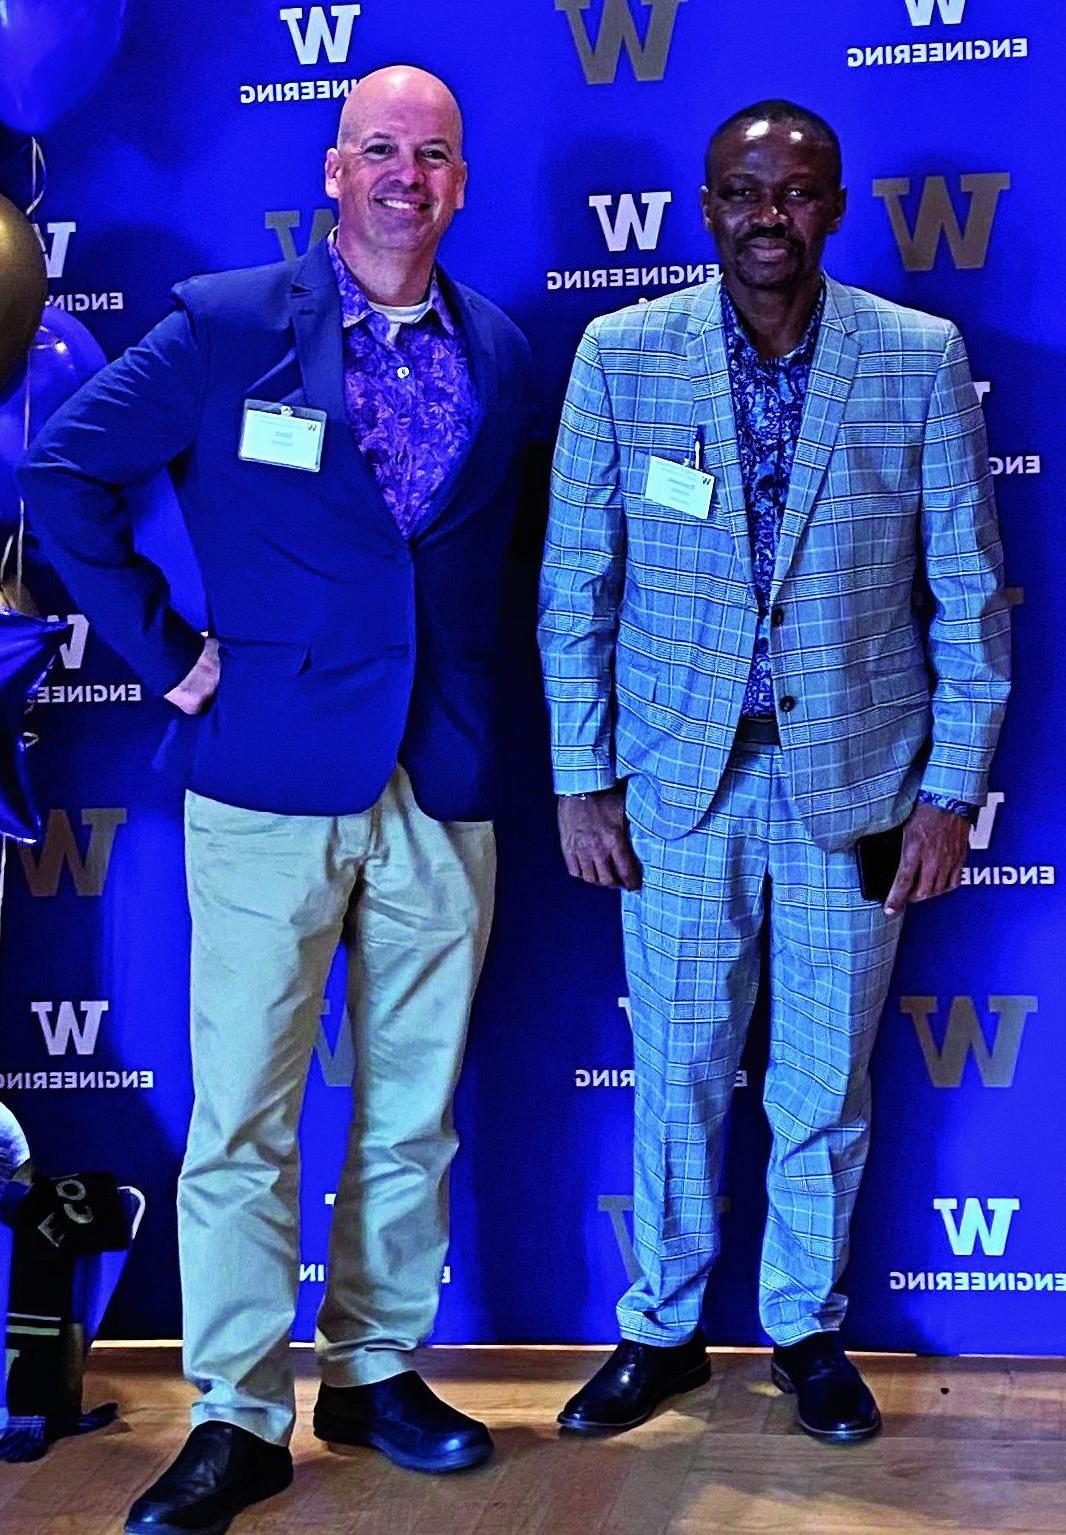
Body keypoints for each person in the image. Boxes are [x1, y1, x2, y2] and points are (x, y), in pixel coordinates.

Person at [20, 65, 532, 1535]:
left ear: (457, 184)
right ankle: (238, 1415)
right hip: (266, 780)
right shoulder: (231, 322)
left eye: (432, 155)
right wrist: (164, 652)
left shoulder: (498, 346)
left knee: (411, 1112)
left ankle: (373, 1372)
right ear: (331, 170)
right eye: (378, 148)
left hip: (443, 781)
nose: (404, 176)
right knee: (242, 1118)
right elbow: (65, 474)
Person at [538, 99, 1008, 1444]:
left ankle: (803, 1326)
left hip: (854, 788)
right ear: (705, 205)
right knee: (678, 1069)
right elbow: (576, 581)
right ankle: (663, 1332)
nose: (765, 217)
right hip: (675, 790)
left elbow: (968, 594)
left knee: (823, 1080)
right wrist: (582, 777)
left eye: (792, 195)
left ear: (833, 206)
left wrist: (943, 792)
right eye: (740, 193)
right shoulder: (620, 357)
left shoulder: (914, 358)